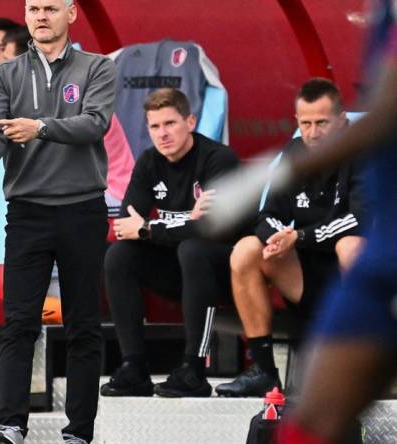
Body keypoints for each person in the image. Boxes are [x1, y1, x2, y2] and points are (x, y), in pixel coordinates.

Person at [0, 1, 115, 443]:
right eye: (32, 8)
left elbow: (94, 124)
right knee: (19, 323)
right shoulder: (2, 75)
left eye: (50, 7)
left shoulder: (97, 67)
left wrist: (40, 127)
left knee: (83, 324)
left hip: (83, 209)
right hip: (27, 213)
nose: (40, 15)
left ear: (72, 14)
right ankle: (9, 428)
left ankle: (78, 433)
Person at [276, 2, 397, 442]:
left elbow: (388, 108)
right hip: (385, 256)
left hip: (376, 248)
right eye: (303, 124)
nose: (310, 132)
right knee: (313, 420)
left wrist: (277, 173)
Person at [215, 78, 368, 398]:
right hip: (305, 276)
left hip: (355, 280)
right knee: (247, 249)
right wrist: (276, 237)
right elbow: (265, 213)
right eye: (306, 123)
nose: (313, 133)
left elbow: (361, 219)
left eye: (322, 123)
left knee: (351, 245)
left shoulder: (362, 151)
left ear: (341, 121)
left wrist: (297, 236)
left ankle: (358, 369)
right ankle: (263, 371)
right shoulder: (295, 152)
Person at [99, 88, 239, 399]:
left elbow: (211, 230)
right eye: (155, 127)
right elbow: (125, 225)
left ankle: (194, 369)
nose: (163, 134)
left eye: (170, 124)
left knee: (194, 250)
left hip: (224, 273)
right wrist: (186, 220)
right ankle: (134, 367)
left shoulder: (219, 159)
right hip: (179, 268)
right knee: (119, 256)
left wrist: (150, 228)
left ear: (190, 121)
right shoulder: (150, 161)